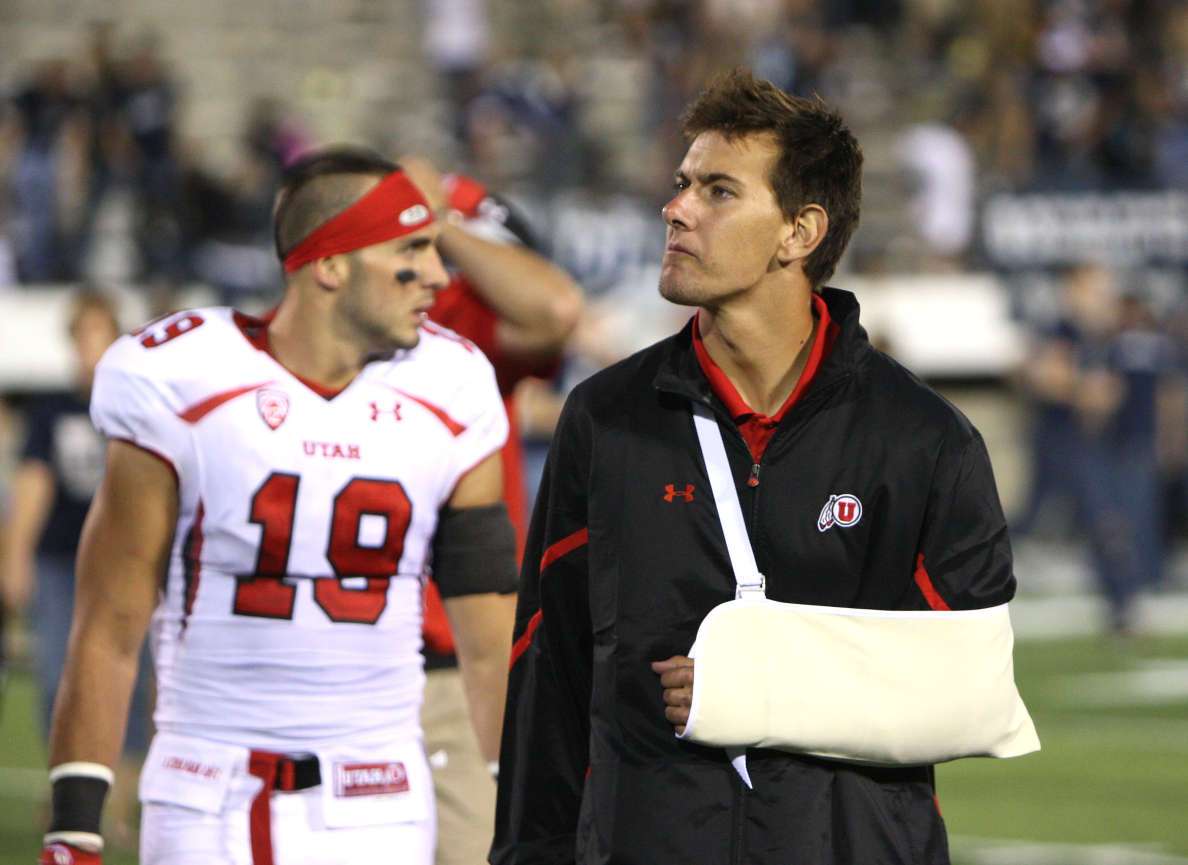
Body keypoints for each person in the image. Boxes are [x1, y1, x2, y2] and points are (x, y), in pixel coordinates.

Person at [493, 70, 1020, 864]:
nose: (676, 209)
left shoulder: (924, 440)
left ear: (799, 233)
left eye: (717, 192)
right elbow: (548, 666)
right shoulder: (607, 419)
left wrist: (761, 686)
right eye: (680, 185)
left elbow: (970, 694)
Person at [40, 146, 518, 865]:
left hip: (379, 797)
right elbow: (109, 621)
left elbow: (489, 635)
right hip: (206, 789)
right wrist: (74, 829)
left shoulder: (453, 387)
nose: (438, 274)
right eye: (410, 250)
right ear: (330, 265)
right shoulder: (180, 378)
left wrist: (525, 803)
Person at [399, 158, 582, 865]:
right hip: (344, 659)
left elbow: (552, 308)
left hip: (454, 659)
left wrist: (433, 220)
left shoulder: (463, 336)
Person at [0, 290, 152, 845]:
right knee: (57, 677)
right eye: (82, 335)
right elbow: (32, 486)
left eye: (99, 333)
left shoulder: (141, 404)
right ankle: (69, 793)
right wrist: (14, 557)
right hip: (62, 560)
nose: (91, 347)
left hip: (128, 559)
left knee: (135, 681)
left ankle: (120, 797)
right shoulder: (54, 410)